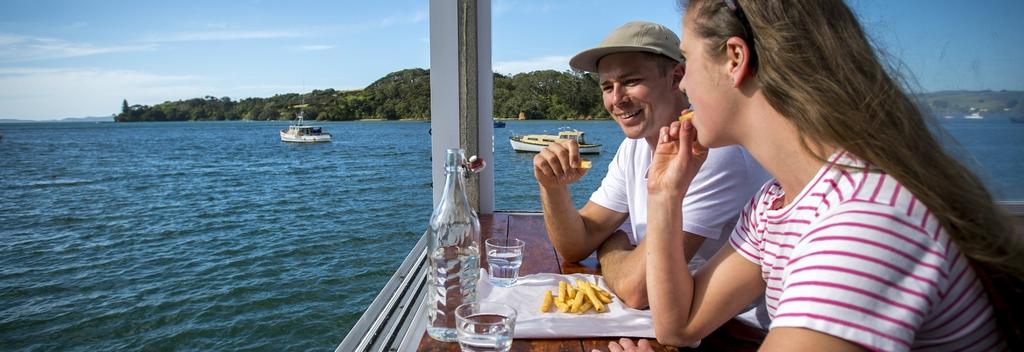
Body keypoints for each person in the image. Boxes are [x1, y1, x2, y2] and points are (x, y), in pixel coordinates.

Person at [611, 0, 1023, 351]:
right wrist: (664, 194)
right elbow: (678, 326)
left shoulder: (863, 221)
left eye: (687, 64)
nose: (683, 85)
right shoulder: (777, 201)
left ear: (735, 60)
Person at [533, 21, 772, 330]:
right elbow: (576, 244)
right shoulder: (633, 148)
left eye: (630, 81)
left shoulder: (710, 152)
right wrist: (552, 187)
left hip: (738, 332)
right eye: (607, 87)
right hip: (677, 324)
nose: (616, 99)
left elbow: (637, 289)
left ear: (676, 78)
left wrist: (611, 248)